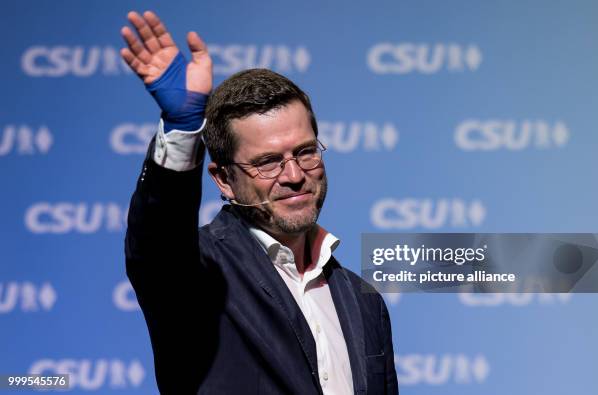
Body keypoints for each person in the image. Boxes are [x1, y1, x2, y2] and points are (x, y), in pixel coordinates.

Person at [121, 10, 398, 395]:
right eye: (267, 162)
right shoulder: (198, 273)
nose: (294, 174)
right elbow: (156, 242)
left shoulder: (361, 298)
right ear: (224, 180)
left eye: (305, 152)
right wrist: (183, 129)